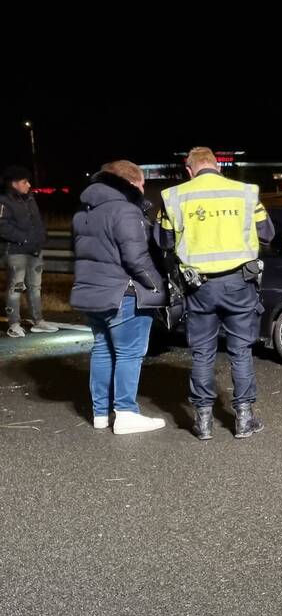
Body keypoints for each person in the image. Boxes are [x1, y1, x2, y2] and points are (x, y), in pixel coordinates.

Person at [156, 146, 274, 440]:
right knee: (241, 352)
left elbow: (163, 240)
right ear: (218, 167)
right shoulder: (245, 193)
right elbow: (268, 233)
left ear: (189, 169)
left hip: (199, 287)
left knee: (202, 353)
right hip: (239, 285)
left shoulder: (174, 197)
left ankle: (203, 422)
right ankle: (244, 419)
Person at [71, 161, 168, 433]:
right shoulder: (126, 210)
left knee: (102, 349)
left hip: (92, 292)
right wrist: (157, 287)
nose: (143, 190)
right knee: (129, 353)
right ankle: (126, 413)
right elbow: (136, 259)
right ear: (131, 183)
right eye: (141, 184)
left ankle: (100, 413)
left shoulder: (83, 212)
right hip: (124, 293)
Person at [0, 165, 58, 337]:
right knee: (16, 287)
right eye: (25, 182)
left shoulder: (30, 198)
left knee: (35, 287)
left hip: (35, 251)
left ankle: (38, 321)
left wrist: (42, 237)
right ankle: (14, 324)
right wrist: (25, 239)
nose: (29, 185)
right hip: (16, 252)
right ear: (14, 183)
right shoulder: (3, 201)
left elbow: (38, 221)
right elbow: (2, 227)